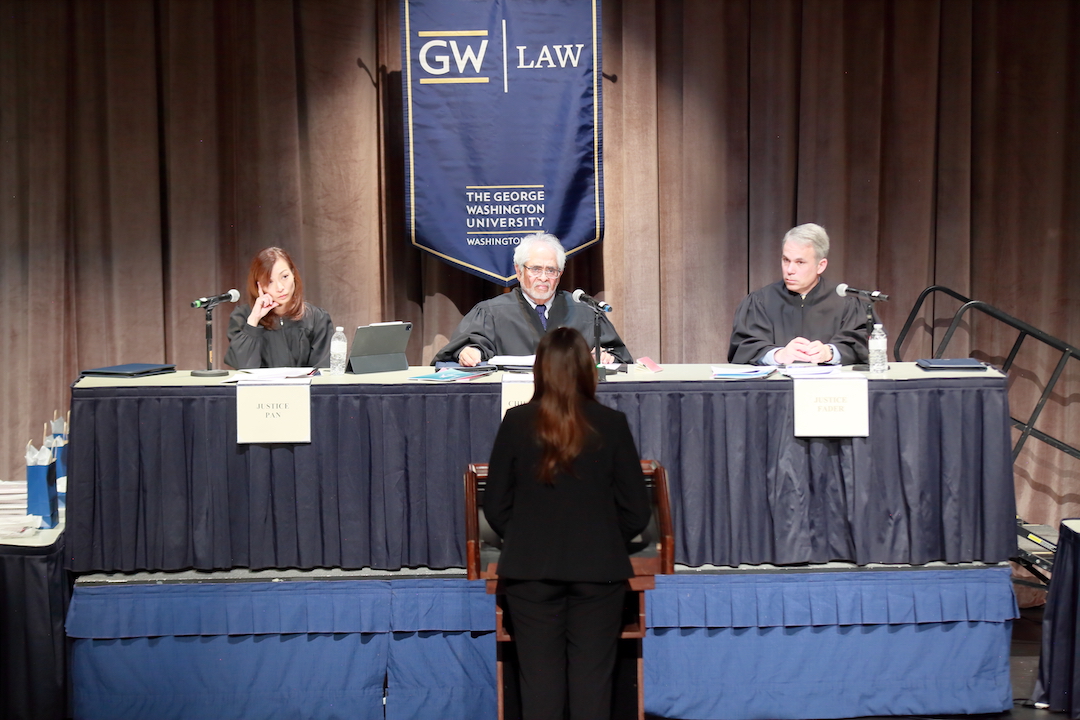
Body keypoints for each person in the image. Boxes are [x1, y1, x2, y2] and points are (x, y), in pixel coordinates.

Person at [483, 326, 651, 720]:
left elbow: (495, 505)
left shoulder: (516, 421)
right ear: (586, 370)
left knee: (539, 688)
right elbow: (636, 510)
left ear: (540, 370)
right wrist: (606, 538)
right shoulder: (611, 423)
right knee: (593, 687)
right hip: (599, 573)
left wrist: (526, 537)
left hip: (530, 573)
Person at [432, 233, 632, 365]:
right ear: (518, 271)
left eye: (551, 270)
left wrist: (606, 357)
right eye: (536, 269)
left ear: (560, 274)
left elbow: (619, 356)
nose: (544, 277)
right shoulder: (490, 313)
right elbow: (461, 350)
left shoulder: (585, 311)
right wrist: (468, 352)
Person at [728, 223, 872, 365]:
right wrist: (778, 355)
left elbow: (865, 344)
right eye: (786, 260)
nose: (790, 269)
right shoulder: (760, 302)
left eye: (800, 262)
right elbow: (742, 347)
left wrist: (830, 353)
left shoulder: (846, 303)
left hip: (830, 386)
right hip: (776, 387)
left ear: (820, 265)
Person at [225, 247, 334, 369]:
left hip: (303, 388)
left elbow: (323, 373)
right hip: (260, 388)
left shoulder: (317, 318)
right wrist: (253, 321)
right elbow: (243, 368)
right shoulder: (242, 317)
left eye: (285, 277)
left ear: (293, 274)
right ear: (259, 286)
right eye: (269, 281)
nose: (280, 287)